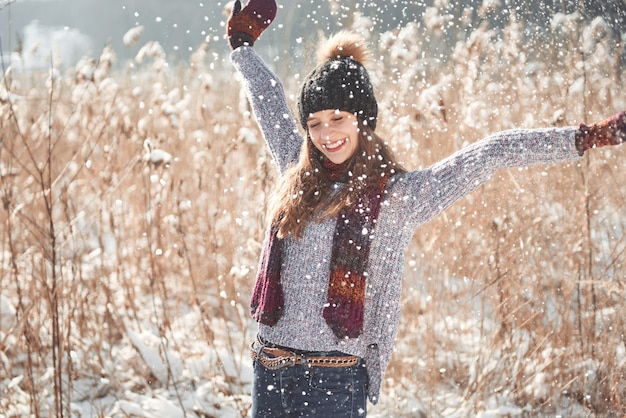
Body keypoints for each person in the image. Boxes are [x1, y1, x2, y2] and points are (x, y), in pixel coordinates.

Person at [225, 0, 626, 416]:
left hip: (334, 380)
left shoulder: (399, 196)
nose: (326, 133)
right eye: (315, 123)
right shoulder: (296, 168)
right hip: (270, 371)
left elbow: (492, 152)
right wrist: (242, 44)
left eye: (338, 118)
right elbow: (268, 98)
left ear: (363, 120)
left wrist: (587, 137)